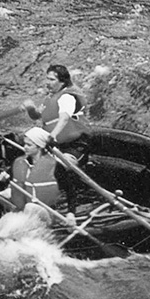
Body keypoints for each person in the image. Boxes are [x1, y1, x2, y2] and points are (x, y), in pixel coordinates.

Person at [23, 64, 91, 211]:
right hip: (57, 145)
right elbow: (37, 115)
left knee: (61, 167)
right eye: (47, 78)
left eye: (51, 79)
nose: (47, 82)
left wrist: (53, 134)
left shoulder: (67, 96)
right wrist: (30, 109)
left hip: (75, 145)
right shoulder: (50, 98)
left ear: (62, 82)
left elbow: (64, 118)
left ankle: (72, 205)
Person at [9, 127, 61, 211]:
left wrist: (71, 213)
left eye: (29, 145)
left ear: (40, 146)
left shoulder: (55, 165)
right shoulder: (20, 162)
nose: (25, 147)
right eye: (24, 144)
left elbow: (70, 190)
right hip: (24, 211)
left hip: (48, 211)